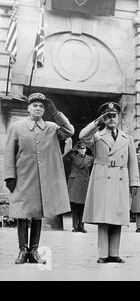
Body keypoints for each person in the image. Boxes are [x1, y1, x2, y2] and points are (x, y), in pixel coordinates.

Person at [4, 93, 73, 264]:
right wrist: (9, 176)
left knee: (37, 214)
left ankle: (34, 250)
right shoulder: (17, 126)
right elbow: (9, 153)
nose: (38, 108)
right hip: (22, 177)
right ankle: (22, 250)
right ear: (28, 108)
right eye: (34, 105)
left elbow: (69, 131)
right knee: (21, 213)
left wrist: (56, 113)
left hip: (43, 179)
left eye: (41, 106)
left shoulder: (51, 127)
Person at [80, 102, 140, 263]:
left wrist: (134, 182)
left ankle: (114, 253)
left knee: (118, 217)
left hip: (121, 179)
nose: (112, 119)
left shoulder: (127, 138)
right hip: (103, 179)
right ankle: (103, 255)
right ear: (103, 119)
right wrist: (96, 122)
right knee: (104, 218)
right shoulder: (97, 137)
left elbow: (133, 162)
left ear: (118, 118)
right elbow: (82, 136)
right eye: (108, 116)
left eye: (114, 116)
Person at [63, 140, 93, 233]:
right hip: (74, 183)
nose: (83, 150)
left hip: (84, 183)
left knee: (83, 206)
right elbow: (64, 157)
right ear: (78, 150)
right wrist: (73, 148)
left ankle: (81, 226)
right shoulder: (73, 157)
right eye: (81, 149)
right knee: (75, 206)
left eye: (84, 148)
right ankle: (75, 226)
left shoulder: (90, 158)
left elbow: (92, 170)